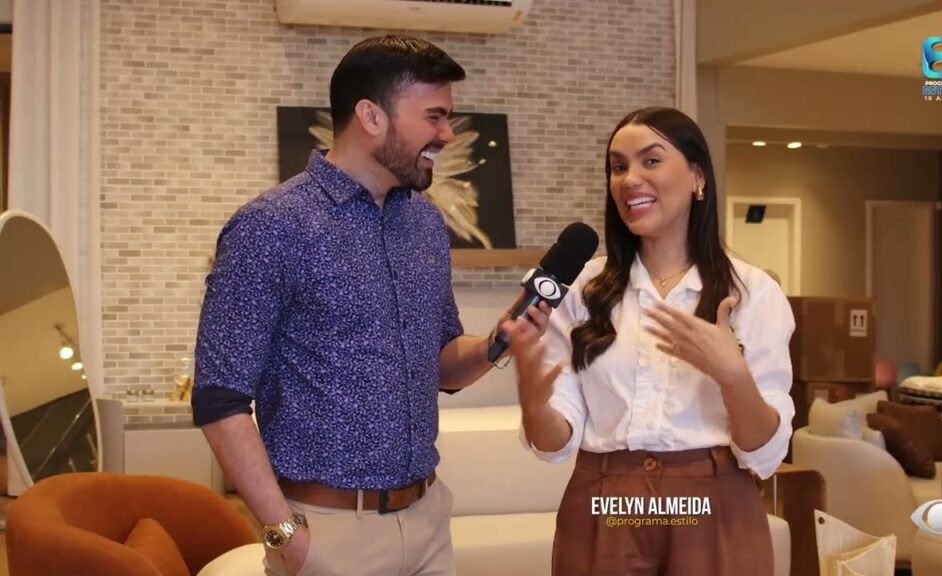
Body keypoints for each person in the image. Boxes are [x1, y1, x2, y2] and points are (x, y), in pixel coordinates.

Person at [191, 35, 549, 576]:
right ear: (371, 116)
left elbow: (440, 364)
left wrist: (499, 342)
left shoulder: (425, 223)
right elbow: (219, 398)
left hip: (429, 521)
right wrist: (284, 534)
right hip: (327, 534)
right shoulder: (270, 226)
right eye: (434, 117)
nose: (447, 134)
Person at [502, 107, 796, 575]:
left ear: (698, 176)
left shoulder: (752, 293)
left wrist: (732, 375)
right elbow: (554, 444)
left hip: (715, 505)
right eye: (618, 167)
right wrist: (533, 401)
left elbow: (765, 453)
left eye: (651, 161)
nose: (629, 179)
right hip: (605, 504)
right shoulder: (582, 289)